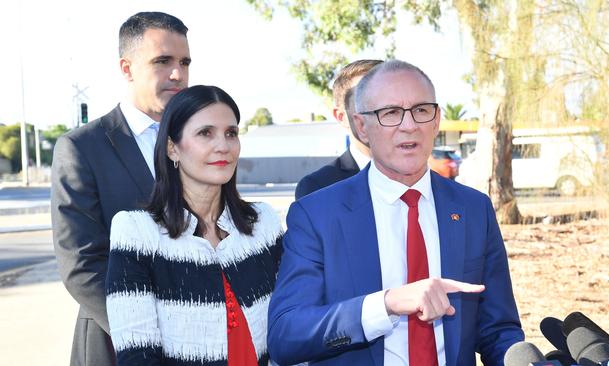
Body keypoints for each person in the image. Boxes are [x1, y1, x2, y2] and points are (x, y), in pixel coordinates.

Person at [268, 60, 524, 365]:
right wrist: (386, 305)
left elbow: (498, 330)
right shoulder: (317, 215)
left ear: (437, 120)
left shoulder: (473, 209)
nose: (409, 125)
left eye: (421, 110)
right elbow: (286, 336)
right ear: (361, 126)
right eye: (390, 113)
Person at [105, 85, 283, 365]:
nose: (223, 145)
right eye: (205, 133)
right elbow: (137, 354)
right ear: (172, 148)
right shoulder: (137, 233)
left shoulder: (263, 224)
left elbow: (288, 325)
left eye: (231, 133)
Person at [51, 12, 191, 366]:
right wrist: (151, 335)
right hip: (119, 345)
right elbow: (81, 264)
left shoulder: (199, 138)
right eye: (163, 61)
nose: (178, 74)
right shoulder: (82, 147)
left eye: (184, 62)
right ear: (127, 69)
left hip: (202, 340)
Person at [294, 59, 383, 199]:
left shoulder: (423, 177)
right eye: (366, 101)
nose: (382, 110)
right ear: (341, 117)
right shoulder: (318, 188)